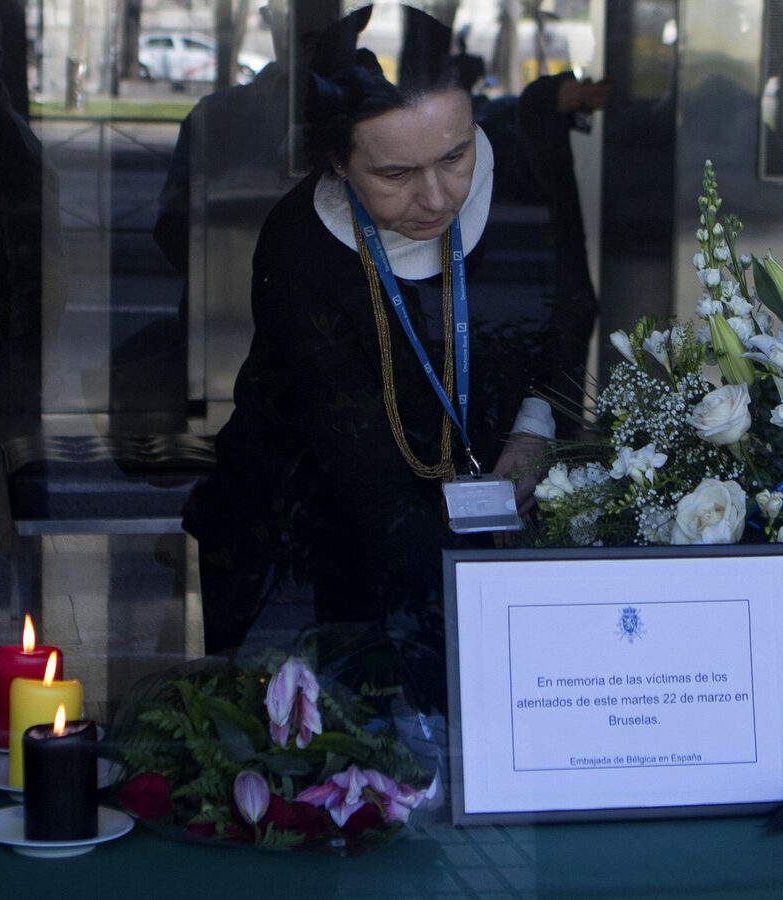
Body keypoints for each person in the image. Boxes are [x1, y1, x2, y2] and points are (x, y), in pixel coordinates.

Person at [182, 5, 555, 708]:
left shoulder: (517, 180)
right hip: (303, 543)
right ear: (337, 162)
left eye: (455, 155)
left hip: (461, 528)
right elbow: (363, 473)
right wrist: (483, 604)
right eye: (395, 174)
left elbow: (562, 319)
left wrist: (535, 426)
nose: (439, 196)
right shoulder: (300, 250)